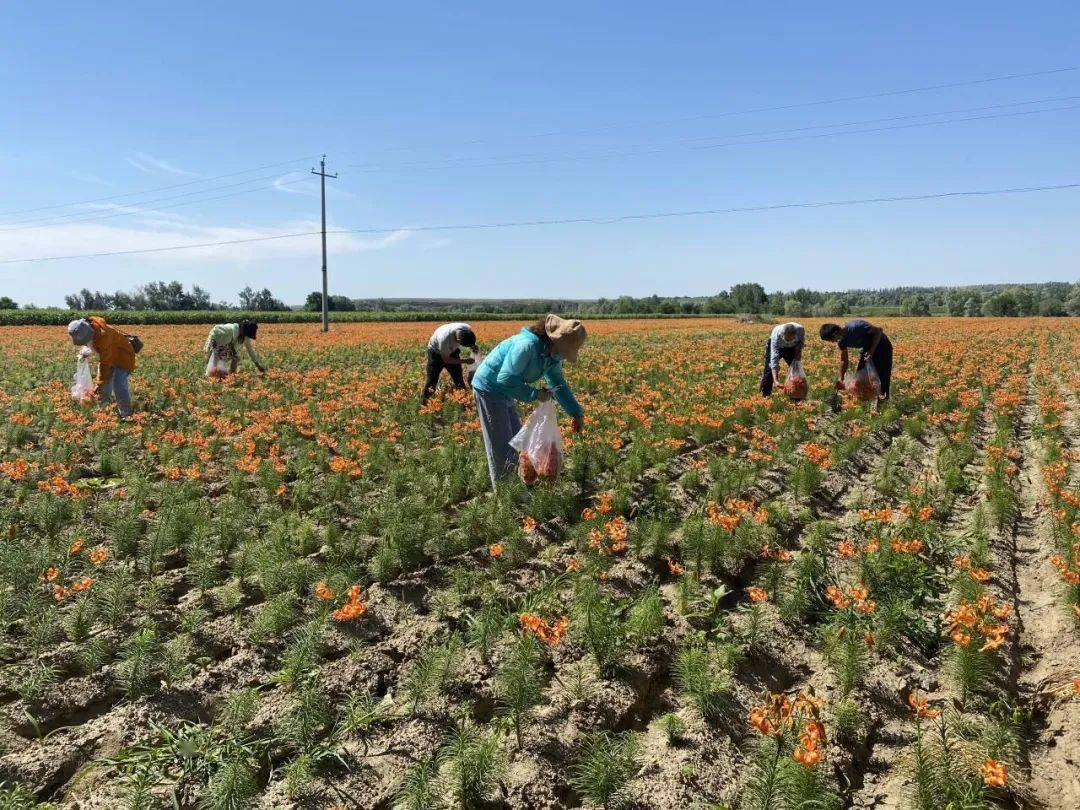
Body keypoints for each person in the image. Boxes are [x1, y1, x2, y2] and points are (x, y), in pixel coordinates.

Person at [471, 315, 586, 488]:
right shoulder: (527, 347)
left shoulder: (550, 355)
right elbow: (505, 378)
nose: (562, 356)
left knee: (519, 443)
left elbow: (558, 384)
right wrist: (534, 394)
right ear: (555, 342)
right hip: (489, 389)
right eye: (564, 351)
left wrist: (576, 413)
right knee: (502, 446)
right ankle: (505, 495)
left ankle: (516, 487)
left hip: (508, 390)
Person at [67, 316, 136, 418]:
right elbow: (91, 343)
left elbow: (105, 363)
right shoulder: (90, 326)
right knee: (105, 385)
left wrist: (99, 383)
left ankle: (126, 414)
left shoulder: (103, 336)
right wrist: (85, 352)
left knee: (118, 384)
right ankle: (103, 411)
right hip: (110, 356)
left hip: (123, 357)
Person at [819, 319, 893, 403]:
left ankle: (883, 403)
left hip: (883, 347)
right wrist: (841, 378)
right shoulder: (841, 342)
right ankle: (865, 404)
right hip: (867, 349)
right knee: (859, 381)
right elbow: (844, 360)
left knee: (883, 376)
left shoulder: (856, 327)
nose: (833, 342)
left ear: (835, 333)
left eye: (831, 339)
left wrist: (871, 351)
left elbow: (879, 331)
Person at [422, 322, 478, 403]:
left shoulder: (466, 328)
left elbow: (469, 339)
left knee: (458, 378)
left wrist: (473, 346)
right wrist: (465, 361)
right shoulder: (444, 339)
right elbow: (447, 360)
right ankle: (425, 403)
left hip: (453, 351)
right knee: (432, 380)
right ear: (458, 340)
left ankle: (465, 402)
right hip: (436, 353)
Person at [759, 321, 805, 396]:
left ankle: (797, 394)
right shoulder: (776, 335)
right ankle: (765, 396)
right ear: (782, 335)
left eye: (791, 339)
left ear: (795, 335)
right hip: (778, 346)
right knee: (769, 370)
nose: (788, 341)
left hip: (791, 348)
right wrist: (776, 380)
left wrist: (797, 356)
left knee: (796, 368)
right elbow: (774, 359)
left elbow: (800, 343)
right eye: (787, 340)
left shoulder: (800, 329)